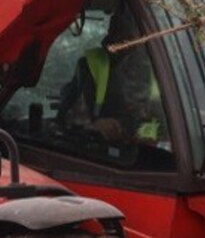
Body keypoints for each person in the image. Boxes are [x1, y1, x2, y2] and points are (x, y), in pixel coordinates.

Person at [59, 13, 167, 148]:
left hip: (150, 156)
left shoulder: (161, 67)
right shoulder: (91, 65)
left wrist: (145, 135)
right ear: (111, 31)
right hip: (100, 157)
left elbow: (175, 127)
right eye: (120, 30)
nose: (126, 40)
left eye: (132, 33)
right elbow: (66, 122)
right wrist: (92, 127)